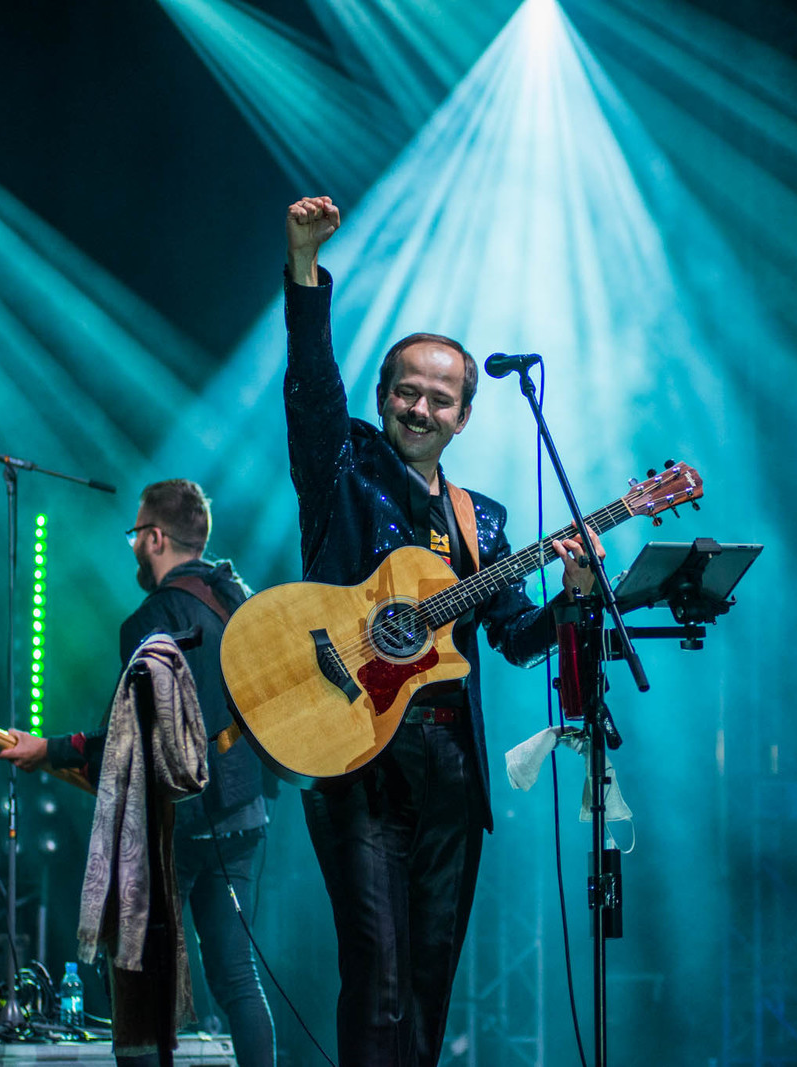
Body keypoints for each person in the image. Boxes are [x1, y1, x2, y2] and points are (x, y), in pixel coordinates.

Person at [281, 194, 602, 1067]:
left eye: (440, 397)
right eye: (407, 392)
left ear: (464, 415)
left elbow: (517, 636)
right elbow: (311, 387)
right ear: (384, 398)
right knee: (377, 976)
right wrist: (305, 269)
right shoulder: (344, 469)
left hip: (452, 767)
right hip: (360, 753)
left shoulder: (481, 521)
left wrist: (571, 594)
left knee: (430, 979)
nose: (421, 408)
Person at [0, 479, 274, 1067]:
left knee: (140, 986)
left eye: (134, 536)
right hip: (244, 814)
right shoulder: (239, 602)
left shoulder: (150, 619)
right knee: (237, 978)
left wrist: (50, 749)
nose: (133, 548)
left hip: (179, 825)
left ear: (153, 537)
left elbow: (134, 745)